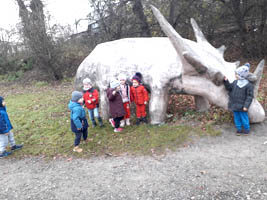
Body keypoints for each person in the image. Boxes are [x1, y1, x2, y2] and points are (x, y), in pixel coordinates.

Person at [223, 63, 254, 135]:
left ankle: (246, 129)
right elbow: (229, 88)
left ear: (241, 75)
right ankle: (239, 129)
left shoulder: (248, 85)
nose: (235, 75)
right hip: (234, 104)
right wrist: (226, 81)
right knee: (236, 118)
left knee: (244, 118)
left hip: (243, 106)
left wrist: (246, 106)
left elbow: (250, 96)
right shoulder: (235, 82)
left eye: (236, 74)